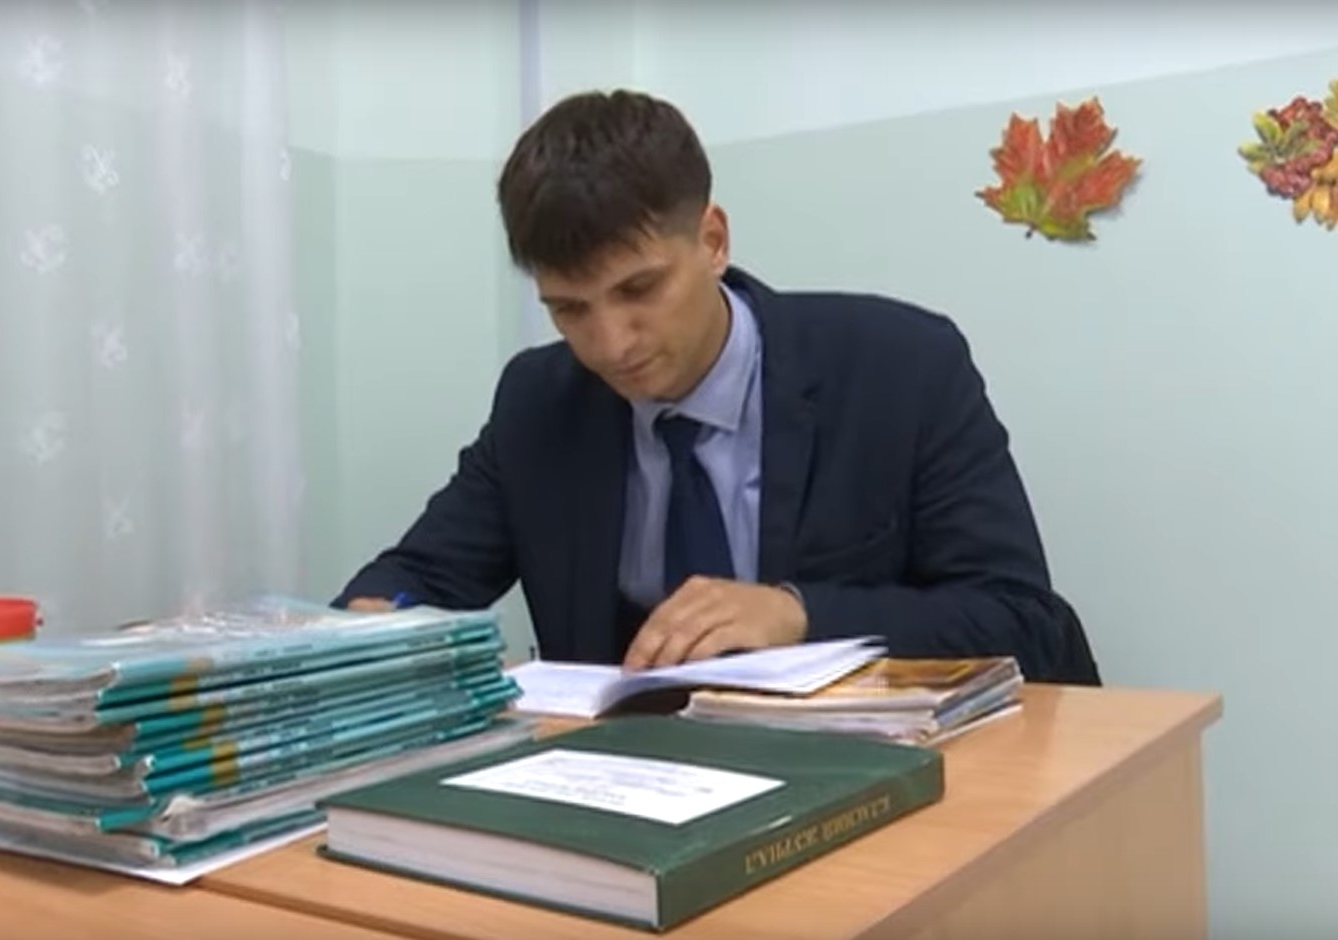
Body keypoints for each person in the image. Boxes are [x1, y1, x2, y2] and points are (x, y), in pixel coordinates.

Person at [335, 89, 1100, 685]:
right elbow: (418, 577)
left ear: (712, 240)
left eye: (639, 289)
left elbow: (1023, 621)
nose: (611, 344)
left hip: (878, 783)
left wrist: (799, 614)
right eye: (569, 309)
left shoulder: (902, 368)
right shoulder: (540, 402)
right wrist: (367, 629)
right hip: (625, 788)